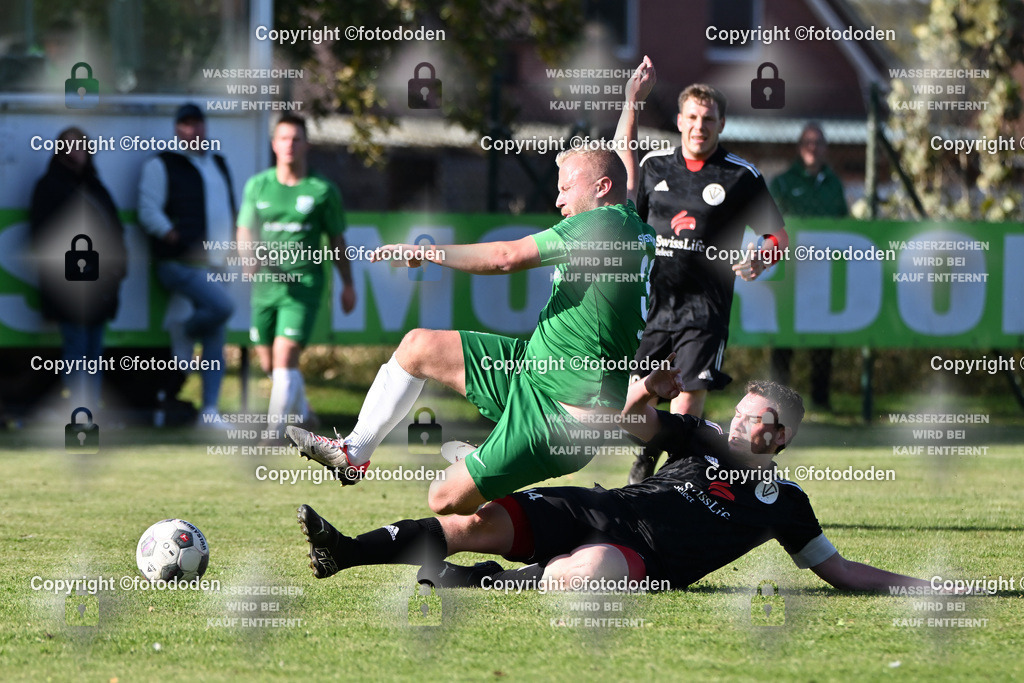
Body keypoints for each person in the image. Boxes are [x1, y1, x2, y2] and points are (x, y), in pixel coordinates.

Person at [293, 373, 931, 594]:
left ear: (781, 437)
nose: (737, 422)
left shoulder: (786, 504)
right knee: (471, 524)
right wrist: (645, 395)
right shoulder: (699, 437)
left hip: (643, 559)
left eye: (754, 419)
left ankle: (490, 581)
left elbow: (841, 572)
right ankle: (345, 550)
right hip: (596, 507)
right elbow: (638, 426)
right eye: (739, 410)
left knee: (589, 572)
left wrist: (934, 588)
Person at [288, 145, 657, 516]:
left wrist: (428, 252)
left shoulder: (601, 224)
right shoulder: (627, 221)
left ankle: (547, 503)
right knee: (418, 347)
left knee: (443, 497)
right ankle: (353, 453)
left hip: (561, 418)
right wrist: (631, 103)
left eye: (566, 188)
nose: (558, 198)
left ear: (602, 187)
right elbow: (621, 161)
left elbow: (504, 258)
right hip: (530, 373)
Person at [616, 59, 790, 484]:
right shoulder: (655, 166)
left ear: (722, 123)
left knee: (689, 393)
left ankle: (669, 483)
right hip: (652, 304)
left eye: (708, 119)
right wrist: (631, 102)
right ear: (679, 120)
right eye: (692, 117)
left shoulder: (740, 176)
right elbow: (624, 172)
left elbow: (778, 238)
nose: (699, 126)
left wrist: (760, 258)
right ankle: (647, 457)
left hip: (705, 308)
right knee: (635, 396)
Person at [236, 114, 357, 443]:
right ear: (274, 144)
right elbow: (245, 229)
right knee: (269, 363)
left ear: (307, 144)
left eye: (296, 138)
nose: (290, 144)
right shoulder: (258, 185)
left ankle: (274, 433)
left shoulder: (321, 190)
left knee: (285, 354)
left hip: (302, 287)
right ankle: (304, 411)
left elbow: (336, 241)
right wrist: (248, 256)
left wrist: (348, 284)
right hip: (265, 288)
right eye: (284, 138)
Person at [137, 103, 235, 427]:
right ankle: (184, 329)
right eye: (186, 124)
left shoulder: (217, 162)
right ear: (176, 129)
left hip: (216, 263)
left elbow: (228, 210)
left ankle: (209, 410)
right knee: (222, 308)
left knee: (216, 338)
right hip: (177, 262)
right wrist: (171, 234)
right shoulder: (162, 163)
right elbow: (147, 209)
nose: (194, 130)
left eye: (198, 123)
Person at [30, 126, 127, 409]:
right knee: (76, 350)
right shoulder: (50, 186)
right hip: (69, 286)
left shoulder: (96, 187)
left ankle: (90, 408)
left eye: (81, 146)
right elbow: (43, 236)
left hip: (101, 285)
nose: (77, 152)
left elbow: (115, 229)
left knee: (94, 351)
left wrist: (117, 269)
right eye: (70, 147)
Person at [768, 123, 848, 410]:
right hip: (790, 273)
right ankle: (775, 402)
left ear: (826, 148)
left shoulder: (835, 184)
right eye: (807, 142)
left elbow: (843, 225)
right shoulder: (783, 182)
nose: (813, 148)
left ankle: (821, 402)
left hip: (823, 275)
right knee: (783, 340)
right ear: (800, 147)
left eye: (818, 142)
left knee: (823, 337)